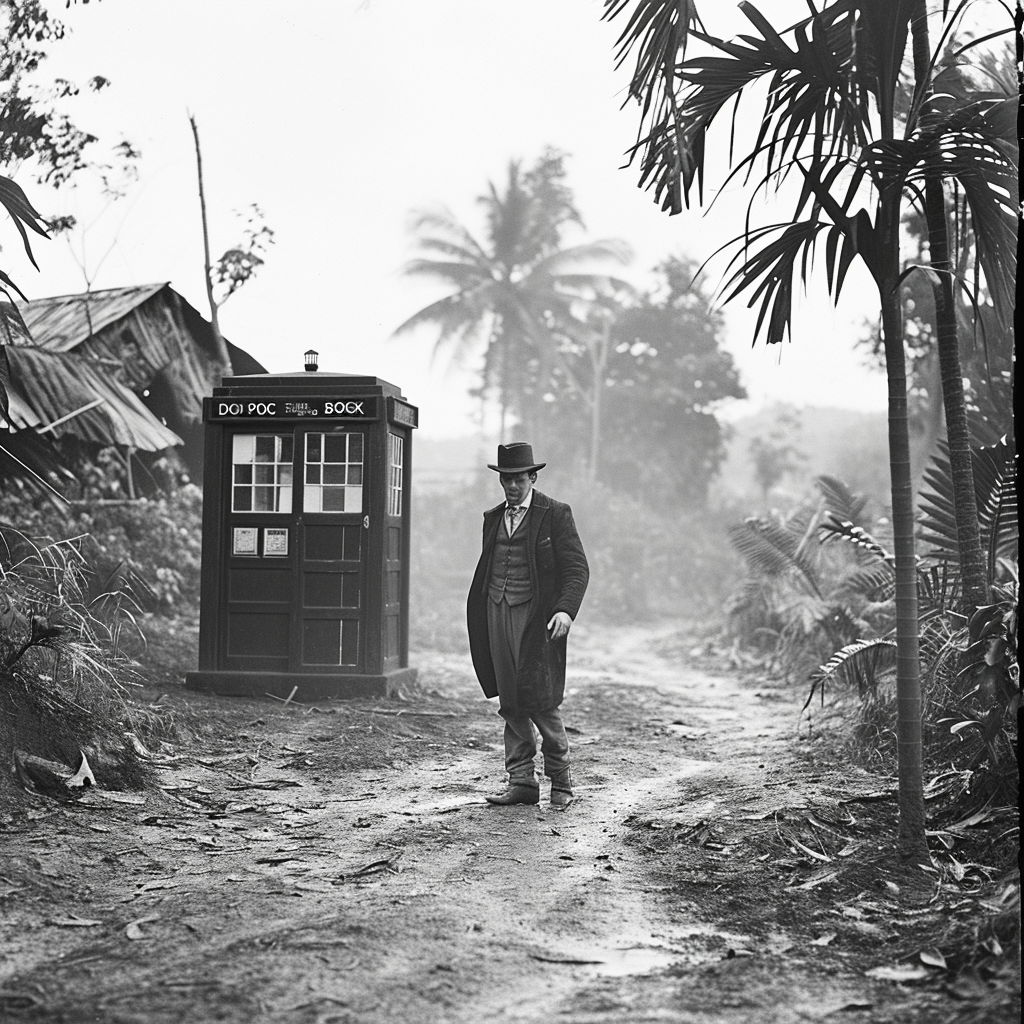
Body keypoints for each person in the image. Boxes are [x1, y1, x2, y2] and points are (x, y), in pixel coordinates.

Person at [466, 442, 589, 810]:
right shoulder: (492, 517)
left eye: (519, 479)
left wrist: (565, 611)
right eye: (506, 479)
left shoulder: (555, 513)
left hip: (538, 619)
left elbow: (577, 570)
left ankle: (561, 782)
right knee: (510, 700)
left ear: (532, 477)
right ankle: (521, 781)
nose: (512, 486)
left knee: (541, 699)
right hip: (495, 611)